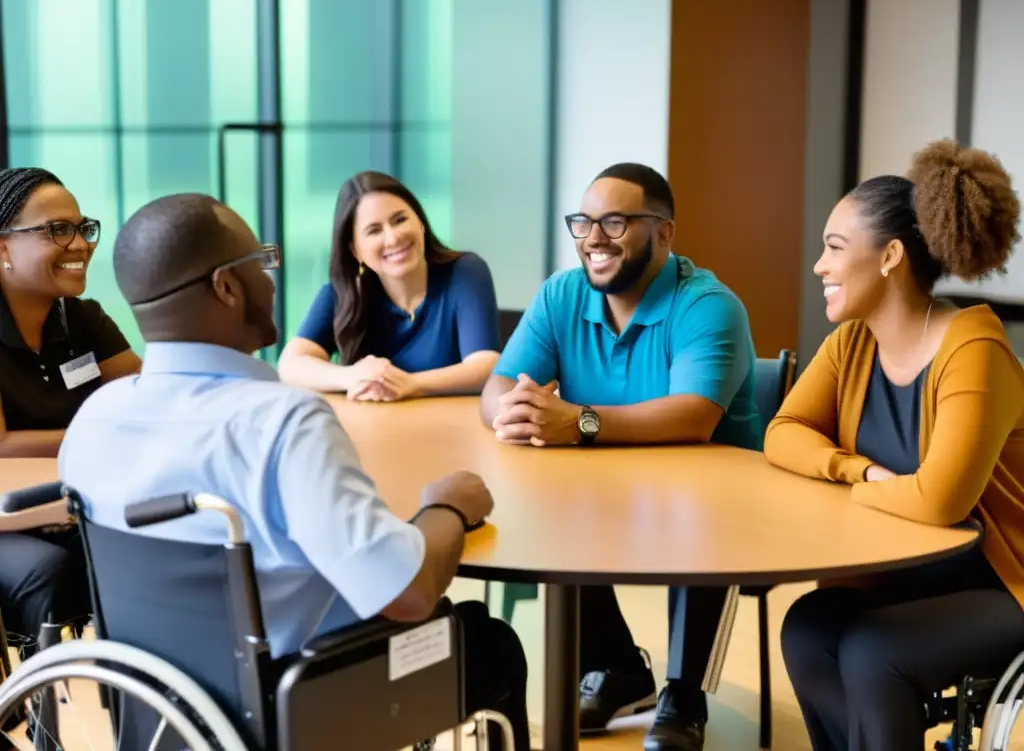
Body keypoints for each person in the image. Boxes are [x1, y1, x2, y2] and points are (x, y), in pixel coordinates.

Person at [58, 193, 530, 750]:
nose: (271, 279)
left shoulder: (94, 421)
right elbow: (407, 596)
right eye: (260, 262)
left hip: (156, 705)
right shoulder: (282, 423)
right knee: (490, 644)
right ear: (227, 287)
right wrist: (447, 505)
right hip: (300, 701)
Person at [480, 163, 761, 751]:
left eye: (615, 221)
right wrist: (514, 412)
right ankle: (619, 669)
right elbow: (500, 384)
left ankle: (685, 693)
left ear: (665, 233)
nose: (593, 238)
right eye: (583, 222)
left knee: (699, 513)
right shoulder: (562, 294)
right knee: (547, 501)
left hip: (715, 503)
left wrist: (578, 421)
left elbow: (694, 416)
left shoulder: (708, 305)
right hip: (608, 490)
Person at [764, 139, 1024, 751]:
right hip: (918, 574)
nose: (819, 267)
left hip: (1002, 585)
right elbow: (783, 432)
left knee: (874, 651)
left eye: (833, 248)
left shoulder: (972, 350)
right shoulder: (853, 344)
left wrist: (858, 485)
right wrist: (860, 471)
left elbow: (939, 501)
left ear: (890, 256)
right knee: (807, 627)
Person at [0, 166, 140, 645]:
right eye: (57, 230)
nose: (80, 244)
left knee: (158, 539)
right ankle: (40, 710)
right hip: (7, 515)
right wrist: (103, 431)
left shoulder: (85, 320)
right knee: (51, 567)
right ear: (3, 248)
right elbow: (2, 446)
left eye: (83, 228)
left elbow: (145, 402)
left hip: (71, 500)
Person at [279, 171, 501, 401]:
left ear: (421, 222)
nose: (393, 238)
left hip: (454, 430)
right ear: (356, 250)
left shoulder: (465, 272)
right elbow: (290, 364)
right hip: (373, 432)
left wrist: (410, 384)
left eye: (400, 220)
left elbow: (485, 366)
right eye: (374, 230)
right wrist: (351, 377)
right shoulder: (343, 293)